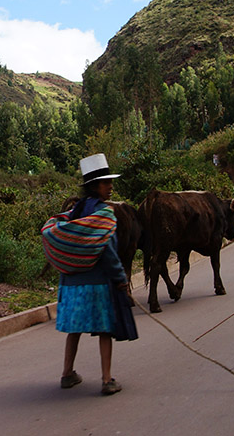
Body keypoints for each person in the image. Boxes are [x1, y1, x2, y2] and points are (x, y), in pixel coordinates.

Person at [52, 153, 138, 396]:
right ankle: (107, 379)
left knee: (74, 330)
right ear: (94, 186)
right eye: (105, 183)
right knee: (105, 331)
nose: (110, 187)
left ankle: (67, 373)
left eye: (110, 182)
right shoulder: (103, 215)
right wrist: (121, 279)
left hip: (70, 284)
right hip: (97, 283)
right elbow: (109, 253)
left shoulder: (75, 211)